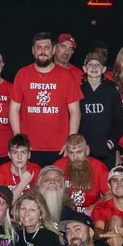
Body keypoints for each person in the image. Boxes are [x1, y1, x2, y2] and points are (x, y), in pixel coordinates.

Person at [8, 32, 76, 166]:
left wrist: (71, 141)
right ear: (33, 50)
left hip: (59, 147)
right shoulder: (22, 74)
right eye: (38, 48)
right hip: (30, 147)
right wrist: (20, 142)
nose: (42, 51)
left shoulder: (66, 76)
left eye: (47, 47)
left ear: (53, 50)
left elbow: (75, 111)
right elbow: (13, 109)